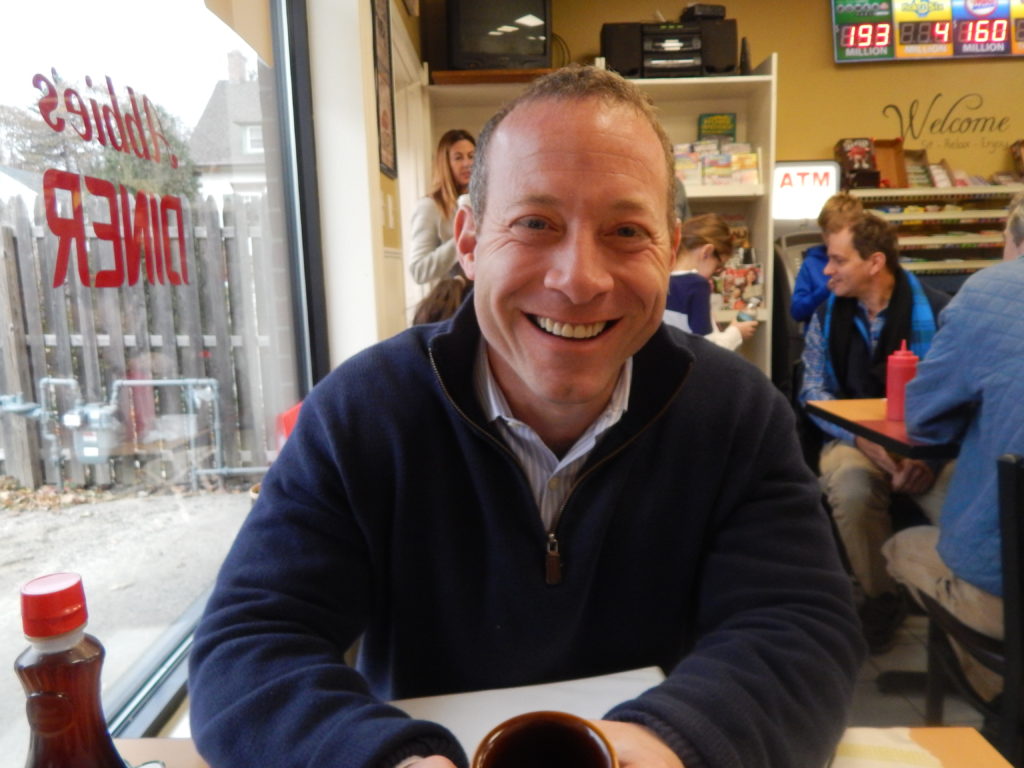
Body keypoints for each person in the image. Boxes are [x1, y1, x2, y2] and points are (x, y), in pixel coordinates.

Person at [190, 65, 863, 768]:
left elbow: (801, 628)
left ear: (669, 249)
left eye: (626, 230)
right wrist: (382, 759)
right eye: (535, 223)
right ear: (469, 240)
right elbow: (249, 647)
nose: (580, 279)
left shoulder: (738, 414)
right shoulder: (363, 412)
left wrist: (665, 743)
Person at [883, 191, 1024, 702]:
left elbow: (923, 418)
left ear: (1013, 238)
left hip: (1003, 593)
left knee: (901, 545)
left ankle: (994, 699)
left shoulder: (988, 290)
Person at [799, 210, 952, 654]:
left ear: (874, 262)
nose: (826, 271)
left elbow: (956, 396)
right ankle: (881, 596)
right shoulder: (826, 315)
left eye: (838, 260)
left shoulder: (940, 313)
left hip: (927, 443)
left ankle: (963, 603)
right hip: (853, 439)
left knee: (963, 496)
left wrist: (928, 459)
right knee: (852, 487)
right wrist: (862, 439)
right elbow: (813, 391)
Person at [663, 212, 758, 350]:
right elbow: (707, 350)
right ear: (707, 252)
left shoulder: (662, 280)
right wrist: (737, 333)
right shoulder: (697, 285)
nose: (713, 276)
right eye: (718, 267)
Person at [409, 129, 475, 285]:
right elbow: (419, 271)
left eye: (471, 156)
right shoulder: (430, 206)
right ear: (445, 164)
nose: (467, 163)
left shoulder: (485, 201)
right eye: (458, 158)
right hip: (456, 296)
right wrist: (463, 239)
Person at [790, 193, 864, 324]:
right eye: (826, 232)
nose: (830, 239)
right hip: (820, 333)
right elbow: (797, 311)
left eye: (837, 232)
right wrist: (825, 290)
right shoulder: (811, 263)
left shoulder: (864, 261)